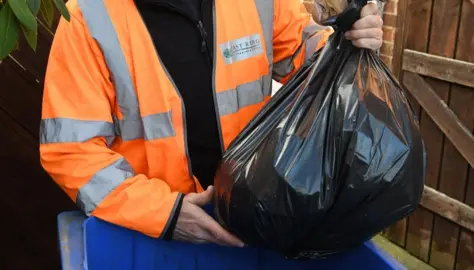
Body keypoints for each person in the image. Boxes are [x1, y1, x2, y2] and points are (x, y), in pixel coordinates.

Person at [40, 0, 383, 248]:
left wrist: (348, 39)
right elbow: (71, 151)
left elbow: (309, 55)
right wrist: (165, 214)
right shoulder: (89, 18)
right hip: (151, 236)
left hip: (252, 222)